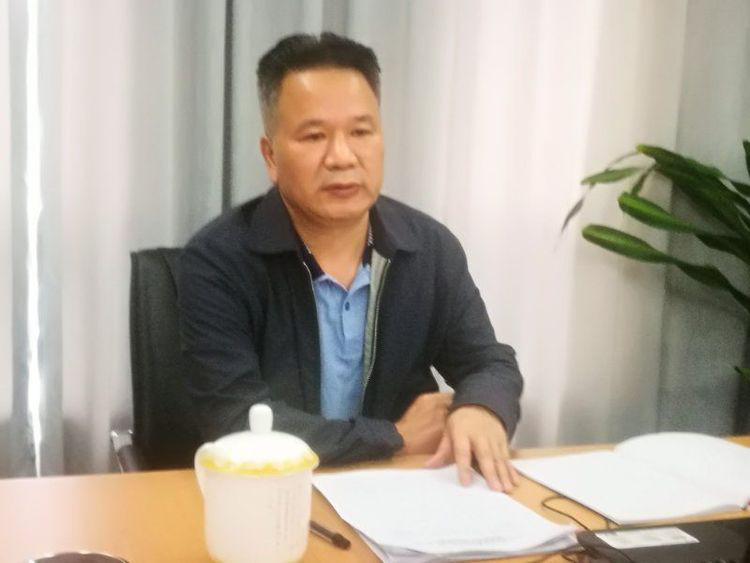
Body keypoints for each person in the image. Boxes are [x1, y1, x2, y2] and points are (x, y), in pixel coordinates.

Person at [177, 32, 523, 492]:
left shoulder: (428, 249)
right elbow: (235, 419)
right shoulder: (218, 261)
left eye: (361, 132)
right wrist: (394, 437)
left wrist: (481, 407)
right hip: (266, 497)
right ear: (271, 156)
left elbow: (490, 364)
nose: (342, 157)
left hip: (399, 496)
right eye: (314, 136)